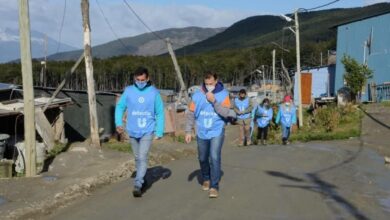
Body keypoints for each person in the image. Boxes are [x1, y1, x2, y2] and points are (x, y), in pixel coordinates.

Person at [115, 67, 165, 197]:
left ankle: (138, 183)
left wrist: (159, 131)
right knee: (137, 157)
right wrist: (118, 123)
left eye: (143, 80)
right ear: (134, 79)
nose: (140, 82)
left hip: (147, 130)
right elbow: (120, 107)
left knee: (142, 156)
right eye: (138, 80)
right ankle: (142, 178)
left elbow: (159, 112)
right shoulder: (129, 91)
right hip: (132, 130)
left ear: (147, 78)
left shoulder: (154, 93)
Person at [185, 72, 236, 198]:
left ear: (216, 81)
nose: (209, 86)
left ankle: (214, 186)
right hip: (201, 131)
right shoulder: (197, 95)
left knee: (214, 157)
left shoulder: (224, 94)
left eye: (211, 84)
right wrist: (188, 131)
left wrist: (214, 101)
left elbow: (225, 112)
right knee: (202, 158)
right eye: (206, 84)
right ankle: (206, 178)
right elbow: (191, 113)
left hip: (217, 130)